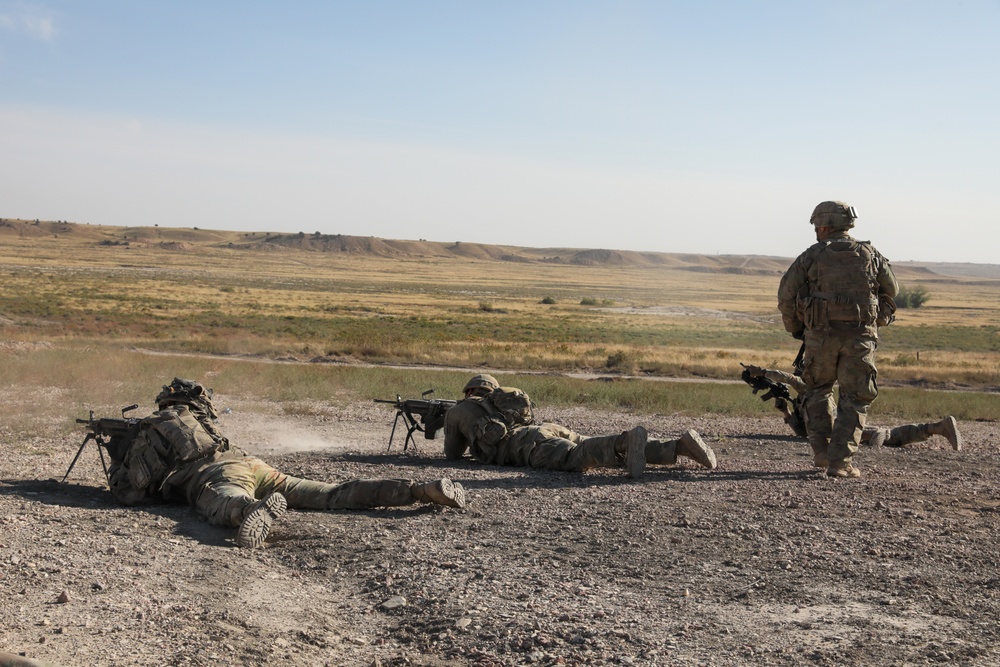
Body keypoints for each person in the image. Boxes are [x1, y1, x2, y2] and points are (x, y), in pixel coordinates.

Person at [106, 378, 467, 549]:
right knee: (330, 493)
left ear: (165, 403)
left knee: (221, 500)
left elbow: (130, 491)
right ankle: (419, 490)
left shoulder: (159, 426)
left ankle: (248, 511)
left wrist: (116, 452)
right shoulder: (204, 423)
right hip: (255, 465)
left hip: (217, 474)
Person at [778, 201, 899, 478]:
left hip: (820, 338)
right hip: (860, 340)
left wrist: (797, 328)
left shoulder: (811, 256)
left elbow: (786, 295)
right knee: (854, 399)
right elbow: (892, 289)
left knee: (817, 390)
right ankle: (840, 463)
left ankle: (821, 453)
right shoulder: (870, 254)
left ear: (823, 226)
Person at [443, 374, 718, 477]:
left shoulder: (459, 410)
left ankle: (624, 441)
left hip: (525, 443)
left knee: (575, 459)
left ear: (468, 391)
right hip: (547, 429)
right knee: (595, 449)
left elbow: (453, 455)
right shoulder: (500, 401)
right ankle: (678, 447)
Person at [742, 363, 963, 453]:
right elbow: (804, 433)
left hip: (844, 427)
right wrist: (786, 413)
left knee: (883, 436)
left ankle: (936, 427)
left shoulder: (810, 389)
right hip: (839, 430)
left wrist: (762, 372)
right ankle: (938, 427)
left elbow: (786, 377)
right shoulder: (802, 401)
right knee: (895, 437)